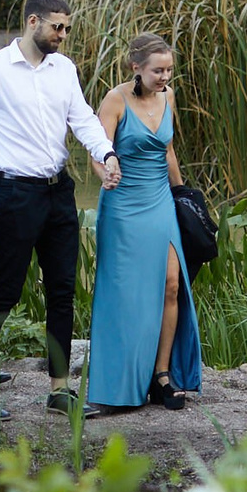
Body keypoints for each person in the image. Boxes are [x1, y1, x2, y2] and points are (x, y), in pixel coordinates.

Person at [0, 0, 120, 413]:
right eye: (57, 26)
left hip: (59, 193)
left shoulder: (64, 69)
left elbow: (83, 120)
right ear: (32, 21)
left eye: (67, 28)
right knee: (4, 291)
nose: (62, 35)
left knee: (62, 291)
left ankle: (59, 390)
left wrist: (107, 154)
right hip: (15, 193)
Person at [85, 34, 202, 414]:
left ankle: (162, 374)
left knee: (171, 285)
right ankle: (118, 386)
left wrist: (183, 197)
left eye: (169, 69)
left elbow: (168, 151)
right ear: (136, 67)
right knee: (123, 295)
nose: (165, 76)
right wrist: (105, 172)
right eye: (157, 70)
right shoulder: (115, 100)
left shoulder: (168, 97)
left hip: (160, 203)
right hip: (122, 205)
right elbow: (97, 150)